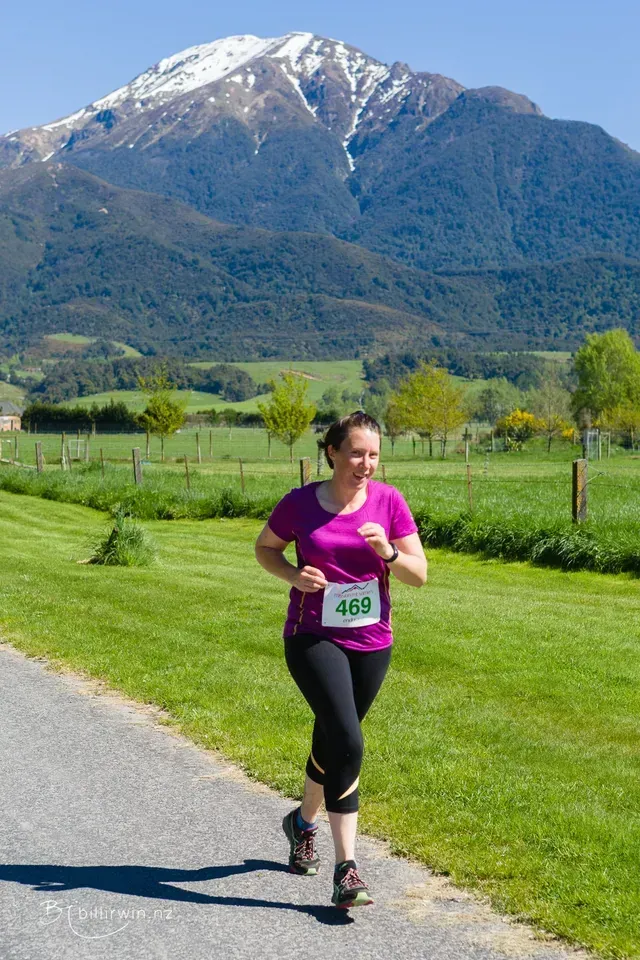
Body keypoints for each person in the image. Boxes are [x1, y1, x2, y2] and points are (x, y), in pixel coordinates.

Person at [254, 411, 427, 909]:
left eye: (373, 454)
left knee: (333, 737)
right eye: (356, 453)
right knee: (348, 739)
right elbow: (265, 549)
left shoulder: (389, 502)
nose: (365, 464)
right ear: (331, 452)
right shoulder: (300, 504)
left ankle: (301, 823)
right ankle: (346, 869)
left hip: (372, 641)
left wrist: (389, 554)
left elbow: (419, 574)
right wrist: (293, 576)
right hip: (312, 636)